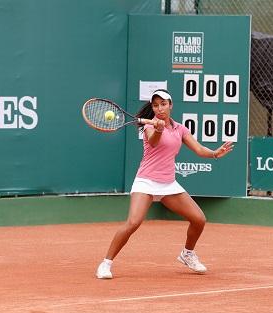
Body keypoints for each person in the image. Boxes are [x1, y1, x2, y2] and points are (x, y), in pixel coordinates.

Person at [96, 89, 233, 279]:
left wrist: (214, 153)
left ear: (170, 105)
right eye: (155, 105)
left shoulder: (180, 129)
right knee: (133, 223)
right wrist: (159, 129)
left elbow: (199, 149)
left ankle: (187, 254)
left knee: (199, 219)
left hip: (168, 184)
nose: (159, 108)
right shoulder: (149, 127)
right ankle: (106, 263)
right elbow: (153, 142)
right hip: (146, 181)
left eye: (163, 104)